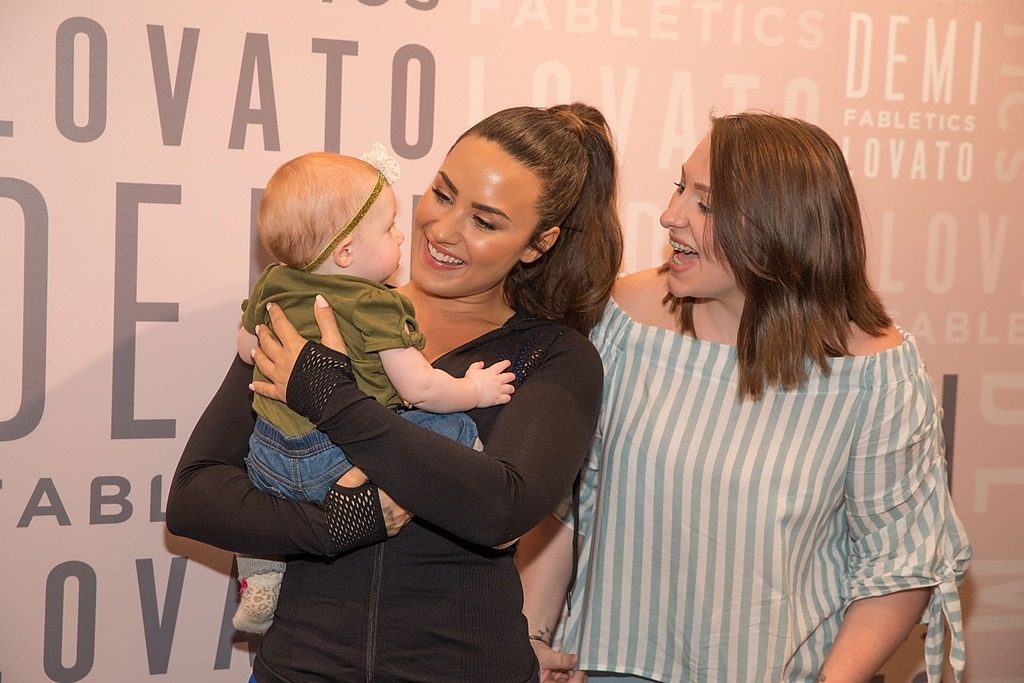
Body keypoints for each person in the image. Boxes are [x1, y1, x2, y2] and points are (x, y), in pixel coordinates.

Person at [166, 102, 624, 682]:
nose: (442, 229)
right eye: (443, 193)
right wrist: (336, 524)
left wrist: (332, 398)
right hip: (300, 670)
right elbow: (194, 496)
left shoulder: (555, 357)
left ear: (538, 243)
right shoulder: (316, 306)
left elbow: (497, 507)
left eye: (485, 221)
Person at [519, 112, 971, 683]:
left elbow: (899, 566)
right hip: (605, 666)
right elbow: (567, 503)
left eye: (706, 206)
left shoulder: (876, 375)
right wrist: (529, 637)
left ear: (778, 228)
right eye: (681, 188)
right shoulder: (622, 324)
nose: (669, 215)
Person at [231, 146, 516, 634]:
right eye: (388, 228)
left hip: (269, 461)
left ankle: (260, 581)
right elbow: (420, 387)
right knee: (448, 424)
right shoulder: (375, 304)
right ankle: (459, 482)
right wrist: (472, 388)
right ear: (346, 252)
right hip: (338, 465)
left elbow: (246, 346)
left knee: (254, 519)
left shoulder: (274, 283)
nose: (402, 235)